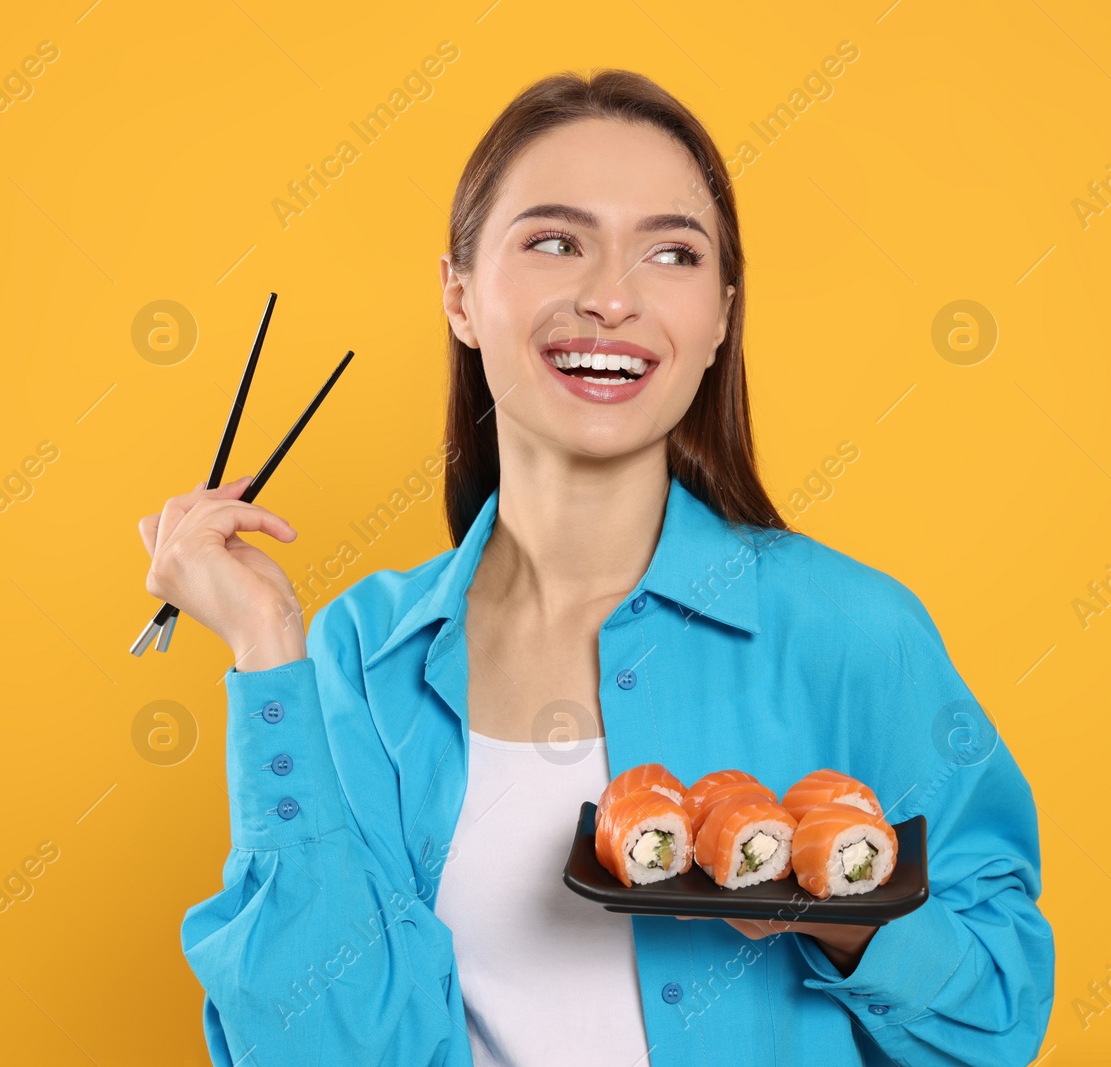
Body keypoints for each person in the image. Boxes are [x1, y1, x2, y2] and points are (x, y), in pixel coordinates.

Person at [140, 68, 1054, 1066]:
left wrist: (844, 919)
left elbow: (998, 1016)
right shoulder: (361, 652)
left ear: (717, 317)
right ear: (458, 295)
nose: (611, 296)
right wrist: (270, 658)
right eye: (553, 241)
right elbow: (319, 1046)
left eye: (670, 252)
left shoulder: (852, 630)